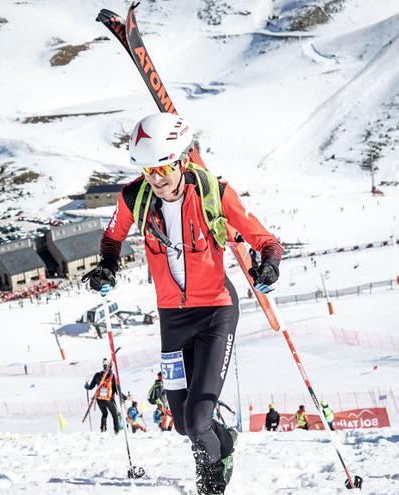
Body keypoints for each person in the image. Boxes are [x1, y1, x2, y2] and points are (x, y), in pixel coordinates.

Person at [83, 113, 283, 495]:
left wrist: (269, 266)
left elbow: (266, 240)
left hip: (215, 314)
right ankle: (223, 440)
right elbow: (112, 238)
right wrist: (107, 267)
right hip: (172, 320)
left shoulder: (214, 192)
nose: (155, 179)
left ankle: (211, 480)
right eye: (147, 170)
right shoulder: (135, 196)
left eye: (162, 168)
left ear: (181, 161)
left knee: (197, 418)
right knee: (180, 423)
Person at [85, 358, 121, 433]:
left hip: (99, 399)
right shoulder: (112, 376)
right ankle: (116, 430)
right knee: (114, 415)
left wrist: (86, 386)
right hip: (108, 399)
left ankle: (103, 429)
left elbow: (91, 387)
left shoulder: (97, 375)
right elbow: (116, 390)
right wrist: (124, 397)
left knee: (104, 413)